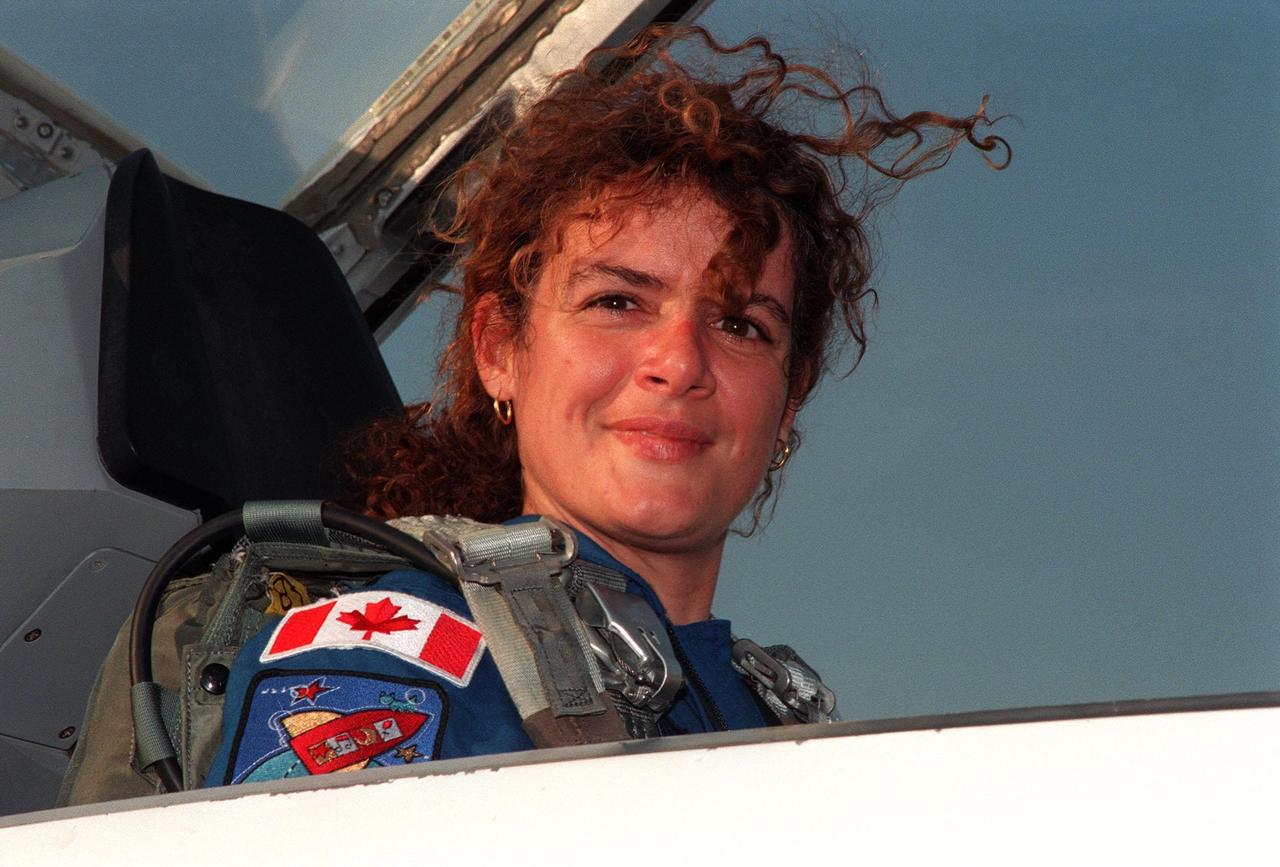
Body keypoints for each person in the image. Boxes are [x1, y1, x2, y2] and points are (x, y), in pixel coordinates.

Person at [203, 25, 1008, 786]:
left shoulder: (784, 737)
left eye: (740, 324)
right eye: (617, 302)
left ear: (788, 401)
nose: (679, 363)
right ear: (500, 350)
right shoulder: (386, 659)